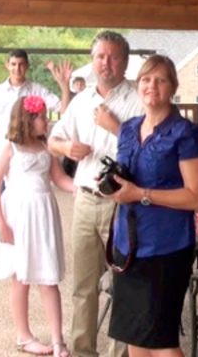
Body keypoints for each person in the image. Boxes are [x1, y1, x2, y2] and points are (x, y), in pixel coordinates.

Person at [48, 31, 143, 357]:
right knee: (83, 288)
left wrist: (115, 125)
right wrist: (66, 147)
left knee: (123, 287)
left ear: (125, 62)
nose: (106, 63)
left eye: (113, 56)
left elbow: (146, 149)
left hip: (121, 203)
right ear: (92, 61)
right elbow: (52, 141)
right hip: (86, 200)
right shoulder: (81, 101)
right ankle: (83, 352)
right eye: (100, 56)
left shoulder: (138, 99)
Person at [106, 55, 198, 356]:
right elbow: (125, 177)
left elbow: (195, 196)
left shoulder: (186, 133)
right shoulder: (127, 129)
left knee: (162, 340)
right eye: (146, 79)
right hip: (128, 245)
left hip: (166, 249)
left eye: (160, 79)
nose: (152, 85)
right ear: (138, 86)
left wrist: (140, 193)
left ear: (172, 87)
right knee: (135, 336)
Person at [0, 95, 77, 357]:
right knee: (21, 278)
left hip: (43, 213)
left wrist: (78, 188)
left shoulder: (47, 146)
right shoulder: (9, 148)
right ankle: (24, 336)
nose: (46, 120)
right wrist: (0, 224)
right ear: (27, 120)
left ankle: (58, 339)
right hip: (17, 214)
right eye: (41, 117)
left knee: (48, 278)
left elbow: (59, 178)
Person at [0, 50, 73, 268]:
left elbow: (63, 109)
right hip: (6, 154)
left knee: (25, 209)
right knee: (4, 204)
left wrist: (63, 86)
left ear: (27, 66)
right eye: (13, 64)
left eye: (21, 64)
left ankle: (31, 252)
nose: (17, 68)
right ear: (7, 66)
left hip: (32, 151)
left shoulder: (37, 91)